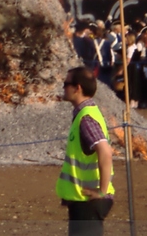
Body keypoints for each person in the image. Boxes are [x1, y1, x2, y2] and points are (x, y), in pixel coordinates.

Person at [56, 67, 114, 236]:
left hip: (88, 200)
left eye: (66, 83)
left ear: (77, 88)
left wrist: (102, 191)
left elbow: (105, 151)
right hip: (84, 200)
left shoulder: (86, 118)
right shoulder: (86, 113)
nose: (63, 87)